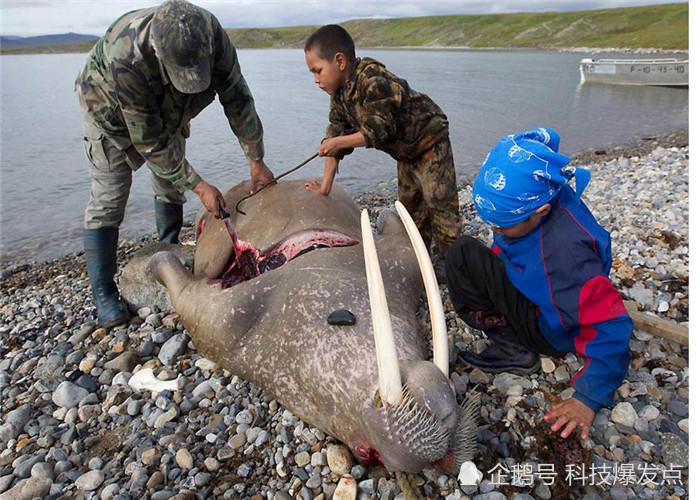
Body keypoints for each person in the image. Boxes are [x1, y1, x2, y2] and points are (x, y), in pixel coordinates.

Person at [76, 0, 274, 328]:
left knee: (170, 185)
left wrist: (256, 158)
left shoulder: (214, 38)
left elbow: (238, 100)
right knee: (109, 198)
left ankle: (168, 248)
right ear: (157, 52)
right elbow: (150, 142)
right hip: (108, 112)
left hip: (170, 110)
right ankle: (103, 290)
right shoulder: (127, 55)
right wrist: (199, 185)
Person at [445, 127, 632, 440]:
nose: (495, 230)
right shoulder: (547, 192)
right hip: (546, 292)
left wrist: (587, 398)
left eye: (502, 227)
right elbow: (510, 237)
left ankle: (514, 348)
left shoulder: (566, 257)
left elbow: (614, 327)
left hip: (549, 328)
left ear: (540, 211)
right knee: (479, 252)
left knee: (461, 255)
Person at [303, 25, 461, 276]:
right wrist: (325, 186)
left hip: (429, 141)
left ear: (340, 61)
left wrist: (337, 143)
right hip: (406, 152)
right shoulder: (340, 96)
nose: (316, 79)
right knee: (412, 209)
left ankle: (452, 265)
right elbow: (334, 138)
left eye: (318, 71)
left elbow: (379, 130)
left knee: (439, 204)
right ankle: (421, 258)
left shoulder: (373, 79)